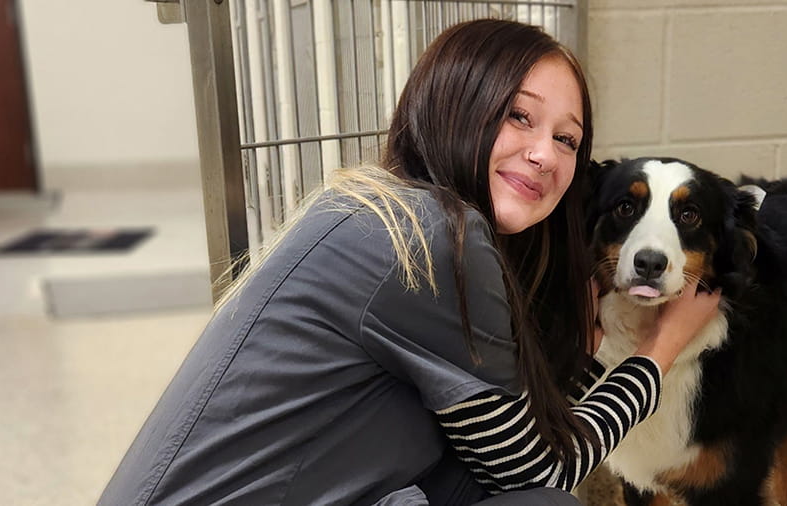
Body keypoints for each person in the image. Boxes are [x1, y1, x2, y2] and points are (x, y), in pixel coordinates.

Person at [99, 19, 721, 506]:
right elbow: (541, 470)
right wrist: (657, 353)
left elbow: (508, 447)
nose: (544, 155)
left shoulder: (386, 208)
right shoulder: (433, 237)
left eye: (566, 138)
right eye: (518, 115)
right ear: (455, 104)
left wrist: (584, 351)